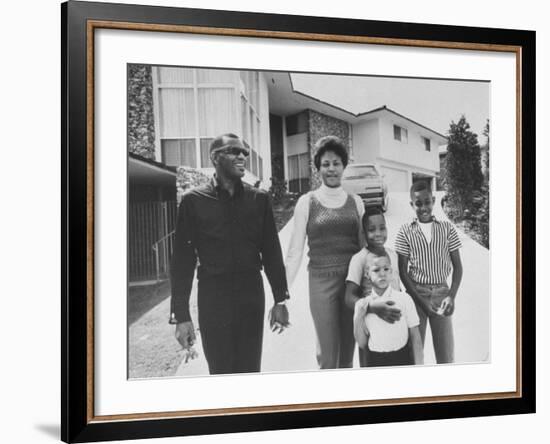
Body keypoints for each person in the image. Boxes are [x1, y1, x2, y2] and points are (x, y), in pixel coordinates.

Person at [169, 133, 290, 375]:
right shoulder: (193, 201)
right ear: (215, 158)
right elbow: (182, 261)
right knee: (221, 372)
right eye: (234, 151)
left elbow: (271, 252)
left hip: (250, 296)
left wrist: (280, 299)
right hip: (213, 298)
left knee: (249, 370)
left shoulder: (259, 199)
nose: (242, 156)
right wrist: (181, 316)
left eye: (244, 152)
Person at [285, 135, 364, 369]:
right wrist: (282, 293)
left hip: (351, 282)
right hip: (321, 283)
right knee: (328, 356)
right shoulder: (307, 202)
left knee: (348, 355)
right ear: (318, 167)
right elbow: (295, 251)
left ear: (344, 166)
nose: (331, 169)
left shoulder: (356, 202)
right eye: (326, 164)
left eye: (336, 163)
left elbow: (364, 249)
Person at [395, 181, 463, 364]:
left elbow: (458, 267)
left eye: (427, 202)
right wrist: (421, 301)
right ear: (411, 205)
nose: (423, 207)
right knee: (415, 355)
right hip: (417, 296)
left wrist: (451, 296)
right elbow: (402, 271)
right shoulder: (405, 232)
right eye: (418, 203)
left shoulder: (447, 229)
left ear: (433, 200)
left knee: (446, 356)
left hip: (442, 294)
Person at [345, 207, 403, 366]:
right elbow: (348, 297)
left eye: (382, 228)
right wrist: (372, 306)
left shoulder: (393, 255)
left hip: (394, 325)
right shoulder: (359, 259)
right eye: (371, 229)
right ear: (364, 233)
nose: (378, 233)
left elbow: (398, 289)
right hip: (371, 327)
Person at [353, 250, 423, 367]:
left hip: (402, 358)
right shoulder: (364, 304)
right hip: (375, 361)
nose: (382, 274)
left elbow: (415, 338)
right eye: (376, 270)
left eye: (386, 269)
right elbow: (362, 343)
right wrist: (358, 317)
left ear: (391, 272)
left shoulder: (404, 299)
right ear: (367, 274)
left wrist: (419, 367)